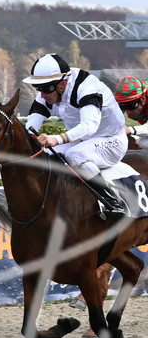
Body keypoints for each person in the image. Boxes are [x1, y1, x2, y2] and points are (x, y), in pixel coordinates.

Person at [24, 53, 127, 218]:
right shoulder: (50, 88)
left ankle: (112, 201)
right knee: (42, 155)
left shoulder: (87, 87)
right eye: (39, 88)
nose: (42, 95)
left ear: (62, 83)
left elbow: (89, 126)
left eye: (46, 89)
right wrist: (29, 137)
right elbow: (30, 126)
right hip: (82, 140)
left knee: (75, 155)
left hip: (111, 140)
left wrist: (56, 139)